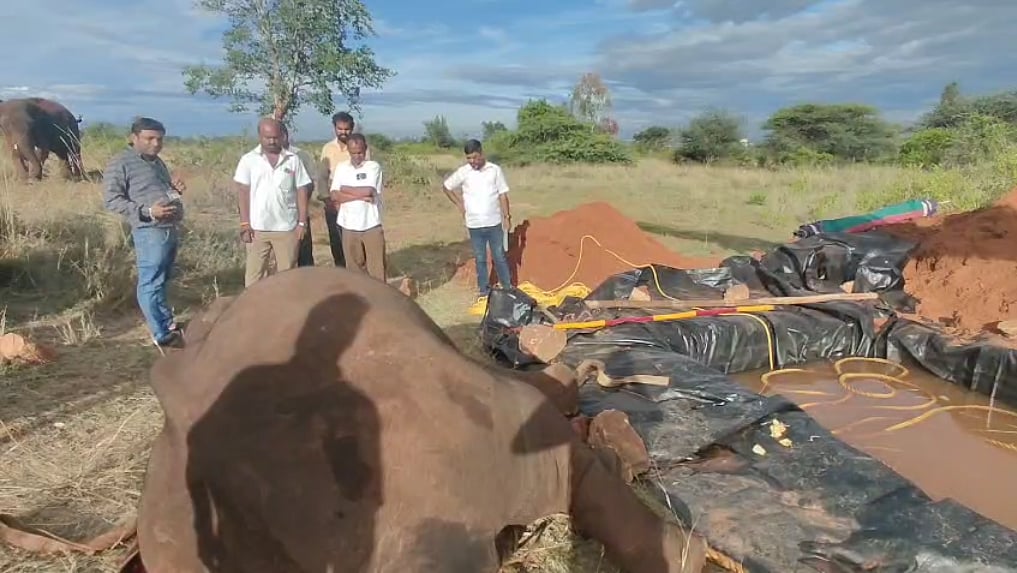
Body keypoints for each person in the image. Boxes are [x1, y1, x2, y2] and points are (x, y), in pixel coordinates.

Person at [102, 117, 187, 348]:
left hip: (169, 227)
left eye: (159, 139)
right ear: (134, 138)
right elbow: (111, 200)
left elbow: (159, 192)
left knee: (162, 279)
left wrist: (174, 190)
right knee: (150, 281)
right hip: (149, 229)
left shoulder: (157, 162)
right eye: (150, 138)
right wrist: (149, 211)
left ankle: (167, 323)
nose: (156, 144)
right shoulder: (121, 163)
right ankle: (160, 334)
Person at [233, 118, 311, 287]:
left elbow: (302, 190)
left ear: (282, 136)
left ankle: (283, 312)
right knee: (254, 278)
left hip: (286, 228)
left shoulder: (293, 159)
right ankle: (253, 311)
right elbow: (243, 192)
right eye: (267, 137)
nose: (272, 141)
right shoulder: (249, 160)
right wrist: (245, 223)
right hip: (257, 229)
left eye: (275, 137)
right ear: (260, 136)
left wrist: (302, 223)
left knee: (287, 277)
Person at [442, 139, 512, 301]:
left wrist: (507, 217)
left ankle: (507, 287)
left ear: (481, 153)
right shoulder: (463, 172)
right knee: (480, 258)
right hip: (474, 224)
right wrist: (459, 203)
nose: (472, 161)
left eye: (475, 157)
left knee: (499, 255)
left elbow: (502, 195)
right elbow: (446, 186)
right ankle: (484, 291)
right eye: (469, 158)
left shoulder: (494, 170)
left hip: (494, 222)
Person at [329, 133, 386, 281]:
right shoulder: (341, 168)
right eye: (353, 153)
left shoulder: (373, 167)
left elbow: (369, 191)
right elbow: (334, 195)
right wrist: (360, 196)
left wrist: (345, 189)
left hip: (370, 224)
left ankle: (379, 300)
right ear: (348, 150)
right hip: (348, 225)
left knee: (377, 269)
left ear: (365, 149)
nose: (357, 156)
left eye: (360, 152)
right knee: (354, 269)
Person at [319, 112, 372, 267]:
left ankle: (361, 272)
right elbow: (322, 176)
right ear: (334, 128)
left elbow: (366, 175)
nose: (343, 132)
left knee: (358, 241)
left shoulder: (361, 148)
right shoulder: (328, 149)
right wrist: (327, 199)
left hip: (357, 202)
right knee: (337, 241)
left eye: (346, 129)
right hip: (334, 204)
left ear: (352, 127)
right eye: (340, 129)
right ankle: (342, 273)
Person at [279, 124, 317, 267]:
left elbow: (309, 184)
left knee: (304, 252)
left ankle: (307, 286)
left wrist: (301, 206)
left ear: (285, 135)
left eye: (278, 136)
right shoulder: (263, 157)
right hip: (277, 214)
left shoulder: (301, 156)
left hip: (298, 211)